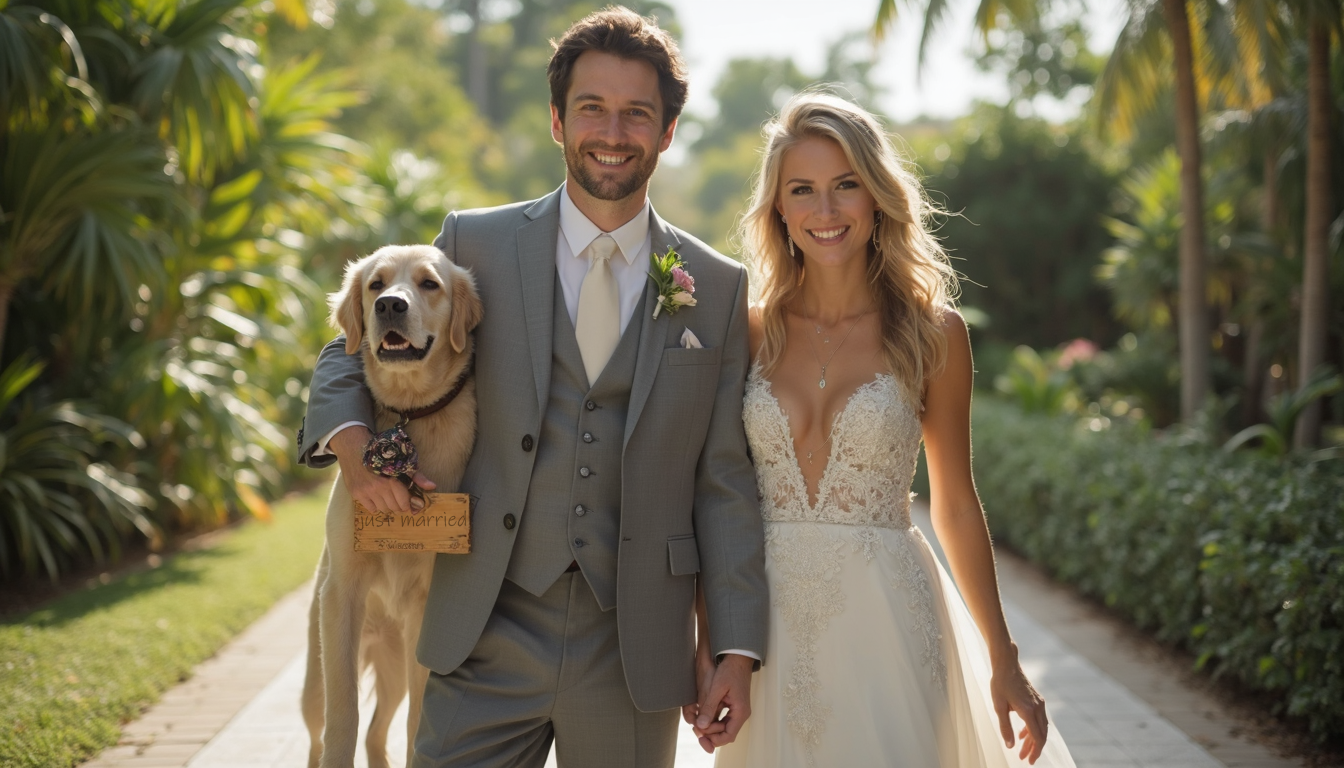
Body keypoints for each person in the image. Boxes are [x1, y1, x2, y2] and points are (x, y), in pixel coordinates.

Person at [296, 8, 767, 767]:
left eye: (636, 113)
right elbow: (352, 347)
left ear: (667, 131)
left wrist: (736, 646)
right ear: (557, 120)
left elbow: (724, 483)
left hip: (634, 647)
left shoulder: (713, 286)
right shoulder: (473, 241)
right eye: (591, 108)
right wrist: (352, 447)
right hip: (480, 626)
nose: (612, 131)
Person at [703, 92, 1076, 767]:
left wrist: (1004, 657)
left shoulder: (934, 334)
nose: (826, 210)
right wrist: (707, 635)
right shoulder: (747, 330)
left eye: (846, 185)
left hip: (889, 623)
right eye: (803, 190)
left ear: (876, 196)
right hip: (766, 631)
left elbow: (956, 504)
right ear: (779, 209)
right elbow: (712, 492)